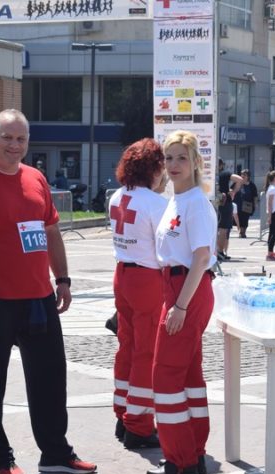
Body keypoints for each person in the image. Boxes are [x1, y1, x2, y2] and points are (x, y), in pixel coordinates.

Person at [0, 109, 97, 474]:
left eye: (21, 139)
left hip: (37, 298)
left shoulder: (36, 179)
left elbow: (50, 233)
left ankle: (56, 453)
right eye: (7, 138)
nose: (15, 146)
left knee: (50, 378)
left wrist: (61, 278)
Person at [145, 129, 216, 474]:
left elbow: (202, 256)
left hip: (186, 288)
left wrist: (181, 307)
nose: (173, 165)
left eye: (181, 158)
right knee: (187, 376)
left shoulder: (196, 203)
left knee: (166, 376)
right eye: (169, 158)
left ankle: (180, 460)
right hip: (177, 287)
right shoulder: (178, 199)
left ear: (195, 163)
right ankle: (193, 454)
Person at [107, 138, 168, 449]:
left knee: (127, 347)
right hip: (147, 279)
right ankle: (140, 426)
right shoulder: (157, 204)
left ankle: (123, 414)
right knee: (146, 353)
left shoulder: (118, 196)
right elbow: (167, 249)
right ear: (154, 169)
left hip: (123, 275)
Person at [216, 158, 242, 261]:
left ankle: (217, 251)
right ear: (222, 165)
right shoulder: (225, 173)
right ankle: (219, 251)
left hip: (212, 201)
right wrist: (234, 191)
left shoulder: (208, 175)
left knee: (216, 228)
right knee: (223, 229)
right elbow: (240, 179)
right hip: (224, 202)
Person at [235, 169, 258, 238]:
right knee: (238, 218)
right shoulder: (237, 183)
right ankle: (240, 231)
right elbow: (232, 190)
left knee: (245, 219)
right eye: (241, 174)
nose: (242, 176)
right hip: (238, 204)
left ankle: (243, 232)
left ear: (248, 176)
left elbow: (255, 196)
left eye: (244, 175)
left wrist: (255, 204)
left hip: (247, 205)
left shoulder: (252, 185)